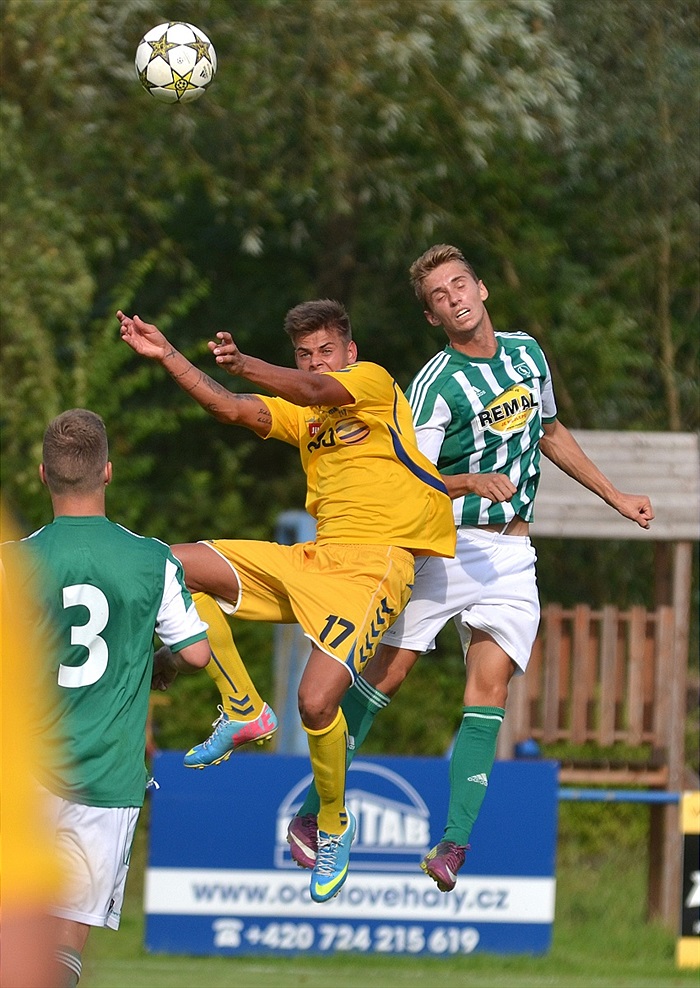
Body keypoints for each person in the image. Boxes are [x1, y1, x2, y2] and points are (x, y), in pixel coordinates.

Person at [288, 244, 654, 892]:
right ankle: (317, 815)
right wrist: (462, 486)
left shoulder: (527, 354)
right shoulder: (435, 384)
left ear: (481, 289)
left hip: (512, 556)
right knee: (387, 674)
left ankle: (452, 845)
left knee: (490, 692)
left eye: (459, 284)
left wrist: (615, 495)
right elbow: (412, 475)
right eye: (438, 295)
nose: (453, 297)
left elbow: (550, 431)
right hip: (447, 545)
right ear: (433, 317)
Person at [116, 299, 455, 903]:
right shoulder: (308, 419)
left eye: (326, 350)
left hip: (375, 567)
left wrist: (246, 362)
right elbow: (231, 407)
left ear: (350, 352)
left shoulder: (372, 383)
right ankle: (244, 708)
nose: (316, 361)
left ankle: (333, 826)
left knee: (316, 701)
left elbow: (316, 388)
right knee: (168, 565)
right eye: (304, 353)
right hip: (314, 560)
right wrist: (167, 354)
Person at [0, 410, 211, 987]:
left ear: (44, 474)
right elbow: (196, 654)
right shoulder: (152, 558)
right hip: (107, 780)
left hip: (26, 773)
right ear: (108, 472)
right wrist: (161, 662)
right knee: (67, 939)